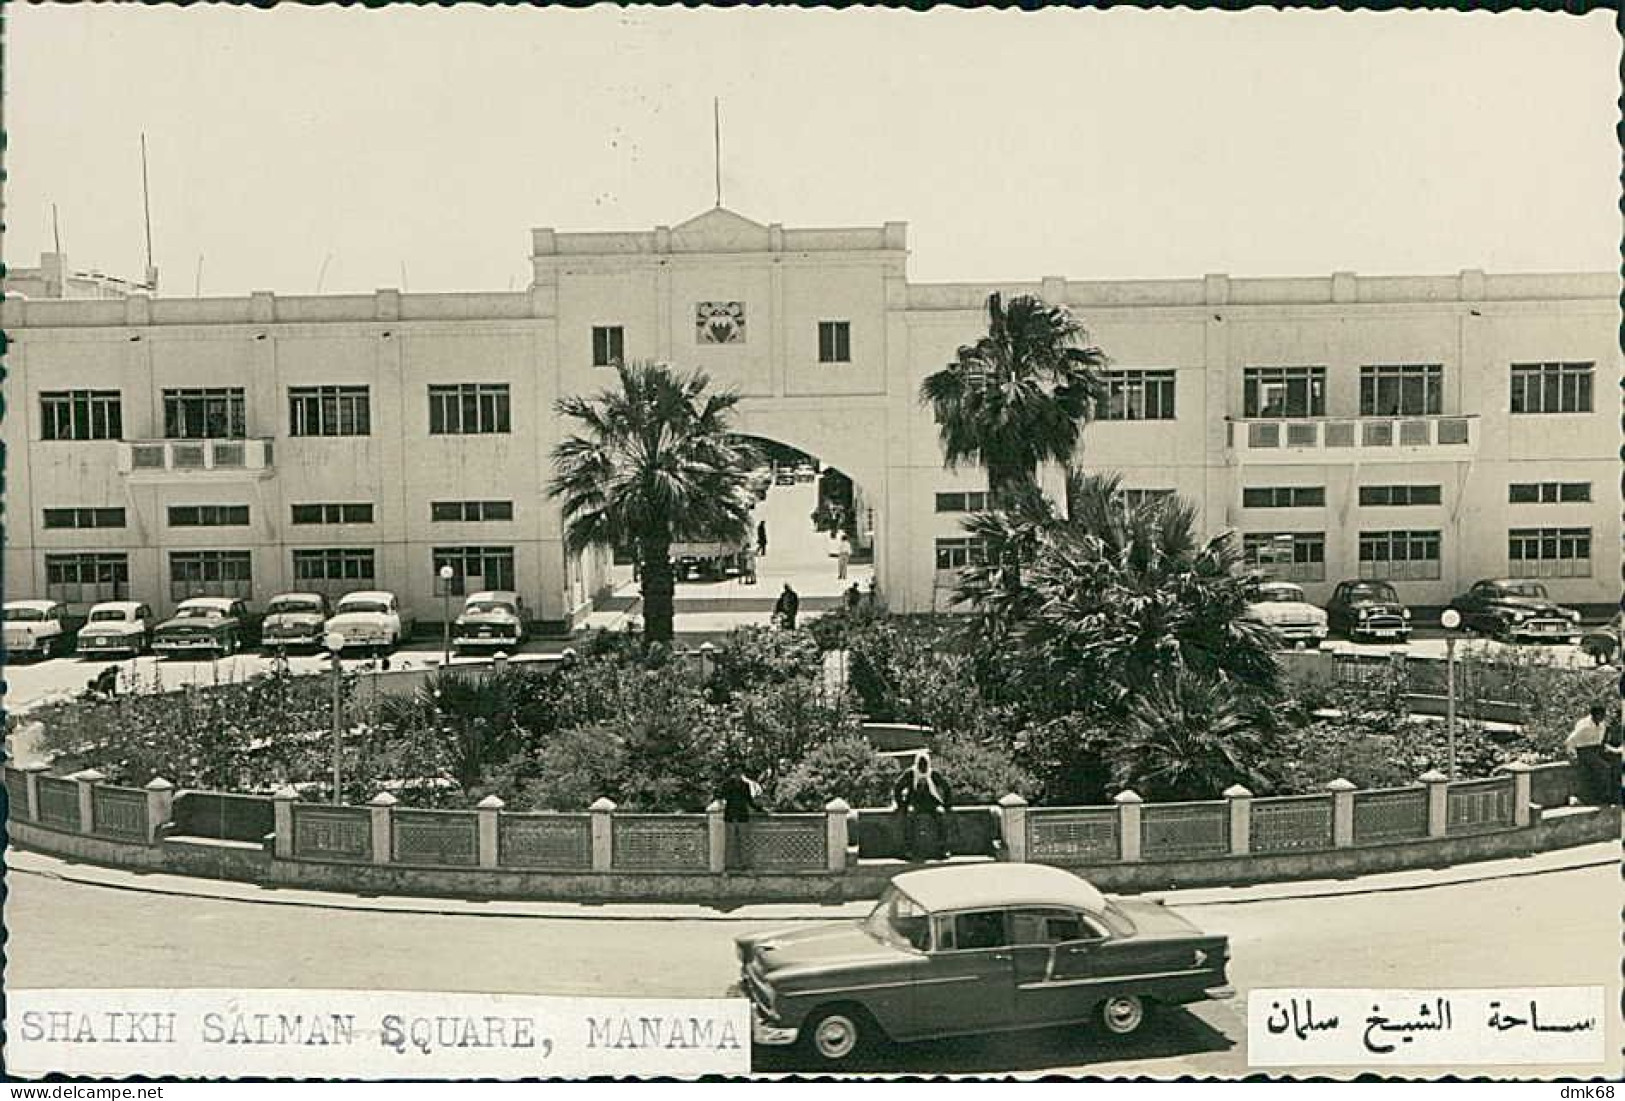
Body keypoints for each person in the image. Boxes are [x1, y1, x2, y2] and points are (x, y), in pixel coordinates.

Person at [893, 751, 954, 862]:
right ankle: (908, 849)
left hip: (931, 803)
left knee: (941, 815)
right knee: (909, 816)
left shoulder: (933, 773)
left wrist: (947, 804)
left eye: (925, 764)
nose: (923, 767)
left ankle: (943, 848)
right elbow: (898, 787)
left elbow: (946, 787)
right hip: (915, 802)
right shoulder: (910, 773)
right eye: (921, 765)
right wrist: (901, 804)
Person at [1565, 702, 1619, 806]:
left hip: (1596, 749)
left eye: (1603, 715)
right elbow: (1570, 740)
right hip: (1584, 750)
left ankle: (1614, 797)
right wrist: (1572, 754)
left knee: (1616, 763)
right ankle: (1602, 798)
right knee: (1604, 768)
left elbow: (1600, 742)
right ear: (1594, 715)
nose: (1602, 718)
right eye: (1599, 715)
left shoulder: (1602, 725)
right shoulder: (1584, 726)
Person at [716, 761, 766, 872]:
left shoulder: (745, 785)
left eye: (740, 772)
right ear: (733, 773)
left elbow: (749, 801)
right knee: (730, 843)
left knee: (744, 843)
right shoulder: (727, 785)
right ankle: (728, 867)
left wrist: (760, 809)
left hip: (743, 817)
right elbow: (720, 796)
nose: (738, 774)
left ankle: (745, 865)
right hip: (730, 817)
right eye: (736, 772)